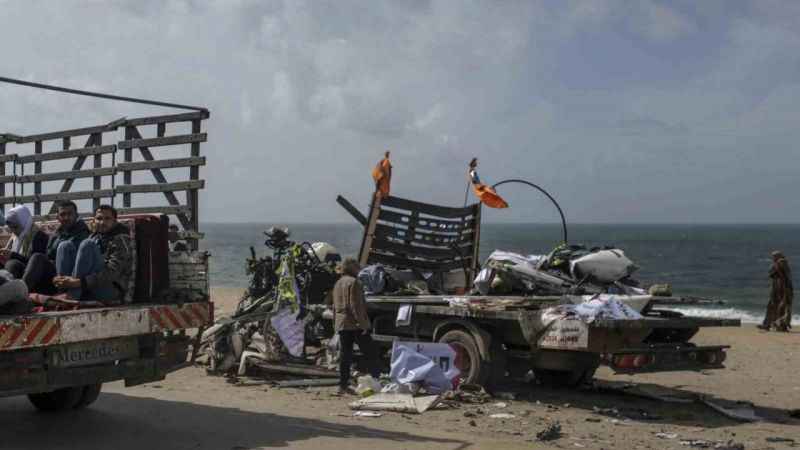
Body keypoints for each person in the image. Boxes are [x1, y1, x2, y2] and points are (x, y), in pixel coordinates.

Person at [53, 205, 133, 303]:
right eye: (99, 218)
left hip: (111, 290)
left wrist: (79, 283)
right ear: (94, 221)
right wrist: (63, 280)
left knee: (87, 244)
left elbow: (111, 274)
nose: (102, 222)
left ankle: (72, 296)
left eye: (107, 218)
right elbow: (81, 265)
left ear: (115, 221)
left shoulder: (121, 239)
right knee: (65, 246)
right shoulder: (94, 237)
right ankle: (63, 288)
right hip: (88, 286)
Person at [331, 257, 380, 394]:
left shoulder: (338, 283)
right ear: (352, 268)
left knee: (345, 355)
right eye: (357, 266)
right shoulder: (354, 282)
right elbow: (355, 306)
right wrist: (363, 324)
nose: (359, 269)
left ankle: (342, 385)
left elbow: (334, 306)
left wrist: (335, 324)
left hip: (341, 324)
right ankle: (377, 381)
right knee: (371, 353)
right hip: (355, 325)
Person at [19, 200, 91, 294]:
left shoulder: (82, 232)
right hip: (53, 273)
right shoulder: (57, 233)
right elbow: (49, 254)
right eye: (63, 214)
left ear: (76, 215)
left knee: (38, 257)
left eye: (70, 214)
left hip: (69, 275)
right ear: (58, 217)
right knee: (15, 263)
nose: (66, 217)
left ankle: (20, 293)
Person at [1, 205, 49, 279]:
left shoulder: (39, 237)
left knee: (12, 264)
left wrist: (13, 255)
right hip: (16, 272)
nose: (13, 231)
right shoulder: (15, 237)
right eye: (11, 228)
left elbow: (35, 263)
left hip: (32, 276)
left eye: (15, 227)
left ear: (25, 222)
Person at [759, 251, 793, 332]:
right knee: (773, 306)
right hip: (778, 288)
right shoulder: (780, 264)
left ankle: (779, 325)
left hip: (782, 289)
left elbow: (778, 275)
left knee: (780, 307)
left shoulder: (781, 262)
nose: (772, 258)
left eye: (774, 256)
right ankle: (769, 325)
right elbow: (773, 274)